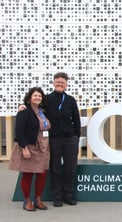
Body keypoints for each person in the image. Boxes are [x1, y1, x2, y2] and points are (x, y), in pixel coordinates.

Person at [9, 87, 51, 211]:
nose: (38, 97)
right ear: (29, 98)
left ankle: (38, 199)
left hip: (43, 147)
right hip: (30, 146)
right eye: (35, 96)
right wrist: (24, 148)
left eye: (39, 96)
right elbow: (19, 131)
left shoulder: (43, 111)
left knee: (42, 174)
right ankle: (27, 200)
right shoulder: (24, 111)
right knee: (28, 173)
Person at [45, 72, 81, 207]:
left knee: (70, 168)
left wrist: (76, 137)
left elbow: (76, 119)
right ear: (53, 83)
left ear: (66, 85)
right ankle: (57, 196)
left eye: (62, 82)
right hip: (54, 139)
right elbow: (34, 108)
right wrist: (23, 106)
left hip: (70, 139)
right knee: (55, 168)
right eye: (58, 82)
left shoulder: (70, 100)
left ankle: (68, 195)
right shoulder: (47, 99)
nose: (60, 84)